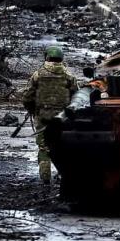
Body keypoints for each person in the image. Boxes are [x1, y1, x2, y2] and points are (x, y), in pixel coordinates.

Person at [22, 45, 79, 184]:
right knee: (62, 146)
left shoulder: (38, 74)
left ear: (46, 56)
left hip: (43, 116)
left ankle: (45, 178)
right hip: (62, 118)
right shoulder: (69, 75)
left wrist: (31, 109)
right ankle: (64, 176)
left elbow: (27, 96)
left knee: (43, 147)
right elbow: (77, 97)